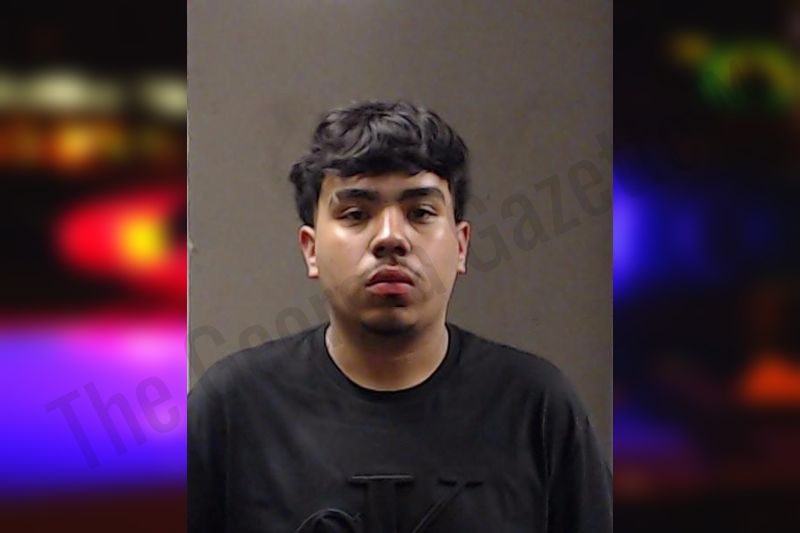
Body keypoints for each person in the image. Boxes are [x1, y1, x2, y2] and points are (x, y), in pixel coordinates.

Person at [188, 100, 612, 532]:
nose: (390, 237)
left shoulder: (537, 408)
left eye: (421, 213)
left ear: (461, 246)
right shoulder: (233, 410)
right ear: (311, 250)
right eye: (356, 214)